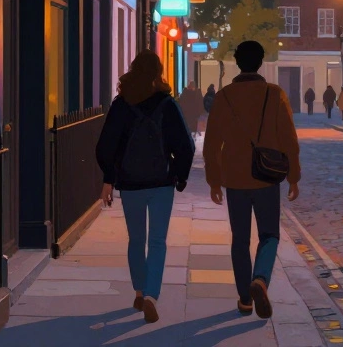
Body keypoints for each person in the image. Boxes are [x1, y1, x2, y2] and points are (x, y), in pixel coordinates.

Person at [94, 50, 195, 324]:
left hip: (130, 183)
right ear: (157, 72)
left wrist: (109, 178)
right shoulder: (166, 103)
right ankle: (152, 295)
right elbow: (185, 145)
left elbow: (105, 146)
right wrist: (180, 176)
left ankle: (138, 291)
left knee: (136, 239)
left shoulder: (121, 104)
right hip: (162, 183)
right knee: (158, 240)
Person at [204, 41, 302, 320]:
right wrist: (293, 177)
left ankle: (245, 299)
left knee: (239, 239)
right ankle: (260, 278)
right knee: (269, 234)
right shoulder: (275, 94)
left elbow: (212, 144)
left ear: (238, 62)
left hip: (235, 179)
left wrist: (214, 180)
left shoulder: (224, 97)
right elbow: (289, 140)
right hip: (266, 177)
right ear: (260, 62)